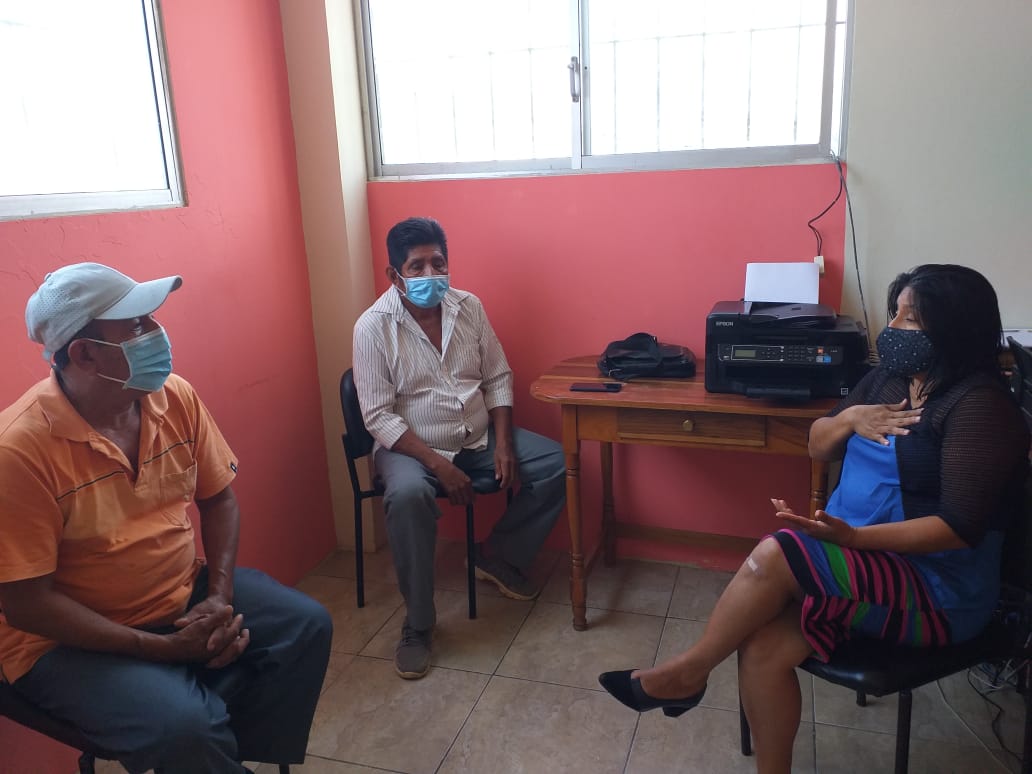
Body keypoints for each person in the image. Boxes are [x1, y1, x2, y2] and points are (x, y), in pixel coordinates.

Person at [598, 264, 1030, 774]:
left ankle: (686, 674)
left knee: (777, 552)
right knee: (762, 644)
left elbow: (959, 528)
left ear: (954, 327)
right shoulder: (890, 379)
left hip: (939, 592)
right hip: (864, 565)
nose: (893, 328)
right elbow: (816, 445)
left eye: (910, 319)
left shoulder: (979, 407)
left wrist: (855, 538)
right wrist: (848, 418)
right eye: (895, 314)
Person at [0, 263, 333, 773]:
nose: (157, 333)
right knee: (186, 728)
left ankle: (230, 758)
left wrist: (219, 598)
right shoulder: (18, 452)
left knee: (306, 625)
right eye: (137, 326)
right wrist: (165, 650)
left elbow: (219, 500)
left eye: (152, 318)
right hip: (65, 641)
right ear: (84, 353)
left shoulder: (173, 396)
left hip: (178, 591)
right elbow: (27, 605)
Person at [352, 216, 566, 680]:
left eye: (438, 262)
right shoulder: (372, 328)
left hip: (476, 436)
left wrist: (504, 442)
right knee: (408, 496)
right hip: (409, 447)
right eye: (417, 266)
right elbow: (378, 417)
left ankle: (498, 556)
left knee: (556, 464)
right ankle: (418, 623)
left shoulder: (468, 307)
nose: (430, 274)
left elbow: (498, 376)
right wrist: (438, 466)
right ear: (394, 275)